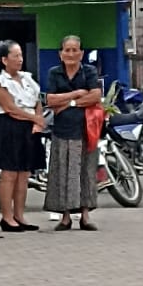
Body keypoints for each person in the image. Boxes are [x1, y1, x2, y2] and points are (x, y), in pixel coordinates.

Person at [0, 40, 45, 233]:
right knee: (9, 173)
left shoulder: (27, 79)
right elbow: (10, 109)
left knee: (24, 174)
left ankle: (19, 215)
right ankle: (7, 217)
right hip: (9, 128)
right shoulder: (0, 83)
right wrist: (34, 118)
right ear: (4, 60)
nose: (20, 59)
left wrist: (38, 122)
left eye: (21, 55)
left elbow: (37, 101)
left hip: (29, 128)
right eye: (15, 56)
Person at [44, 35, 103, 231]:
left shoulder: (89, 71)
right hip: (62, 130)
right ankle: (65, 217)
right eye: (67, 50)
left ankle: (85, 216)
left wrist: (69, 103)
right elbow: (50, 100)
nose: (71, 54)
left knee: (85, 172)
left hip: (85, 130)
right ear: (60, 54)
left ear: (81, 53)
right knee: (62, 173)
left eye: (74, 50)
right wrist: (76, 94)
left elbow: (95, 96)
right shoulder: (54, 73)